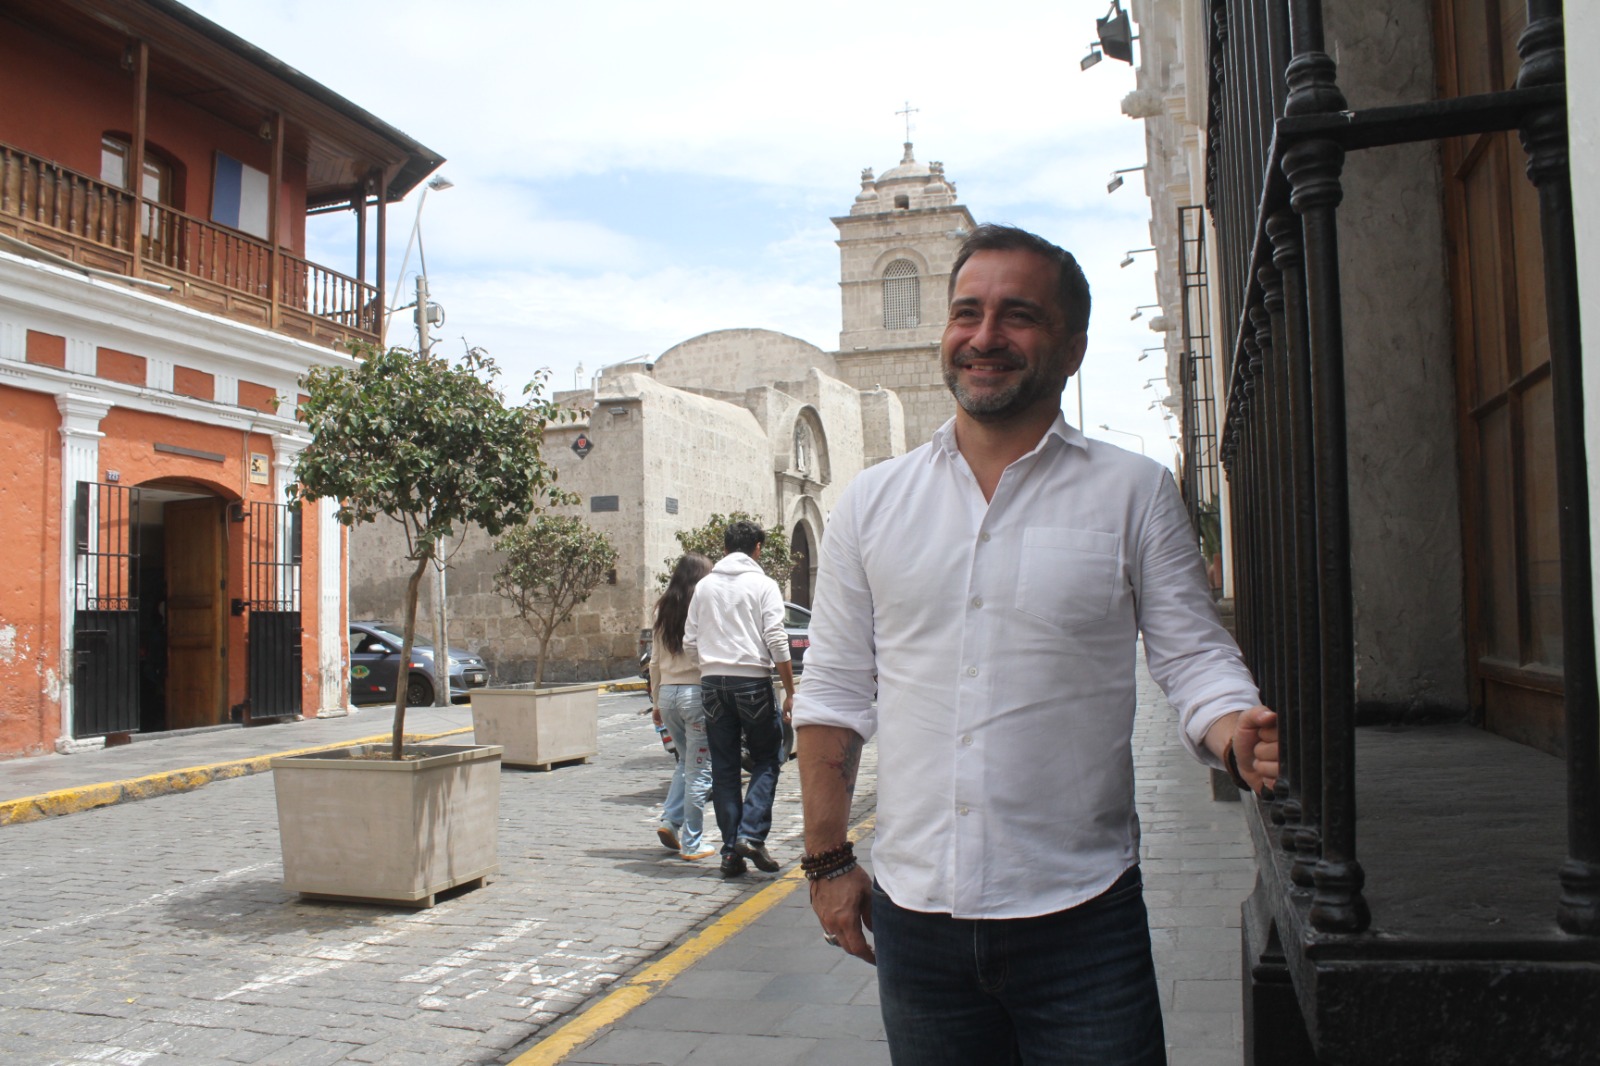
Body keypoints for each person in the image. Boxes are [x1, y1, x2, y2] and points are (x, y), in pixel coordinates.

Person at [792, 223, 1279, 1065]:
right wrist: (829, 864)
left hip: (1083, 920)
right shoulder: (872, 505)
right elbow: (833, 692)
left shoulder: (1134, 494)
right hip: (915, 924)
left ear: (1072, 346)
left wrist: (1234, 728)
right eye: (966, 312)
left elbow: (1192, 655)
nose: (984, 337)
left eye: (1017, 315)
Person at [684, 520, 797, 878]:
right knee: (767, 756)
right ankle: (750, 834)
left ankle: (730, 852)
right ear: (758, 548)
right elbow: (777, 639)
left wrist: (708, 668)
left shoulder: (704, 587)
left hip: (712, 683)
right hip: (752, 681)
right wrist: (791, 690)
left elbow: (690, 642)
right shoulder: (763, 585)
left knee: (725, 766)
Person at [648, 552, 717, 861]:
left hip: (668, 695)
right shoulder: (701, 608)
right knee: (701, 770)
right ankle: (692, 842)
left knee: (684, 762)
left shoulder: (662, 609)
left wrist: (656, 700)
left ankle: (670, 821)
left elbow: (653, 662)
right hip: (695, 694)